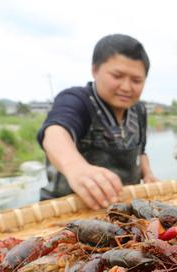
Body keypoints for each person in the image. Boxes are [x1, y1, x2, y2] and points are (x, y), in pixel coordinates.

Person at [37, 34, 158, 210]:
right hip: (68, 211)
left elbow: (142, 151)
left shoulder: (139, 110)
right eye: (117, 76)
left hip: (123, 210)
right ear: (95, 70)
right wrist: (76, 167)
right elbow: (55, 131)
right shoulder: (77, 100)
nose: (126, 87)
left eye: (136, 80)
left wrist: (148, 174)